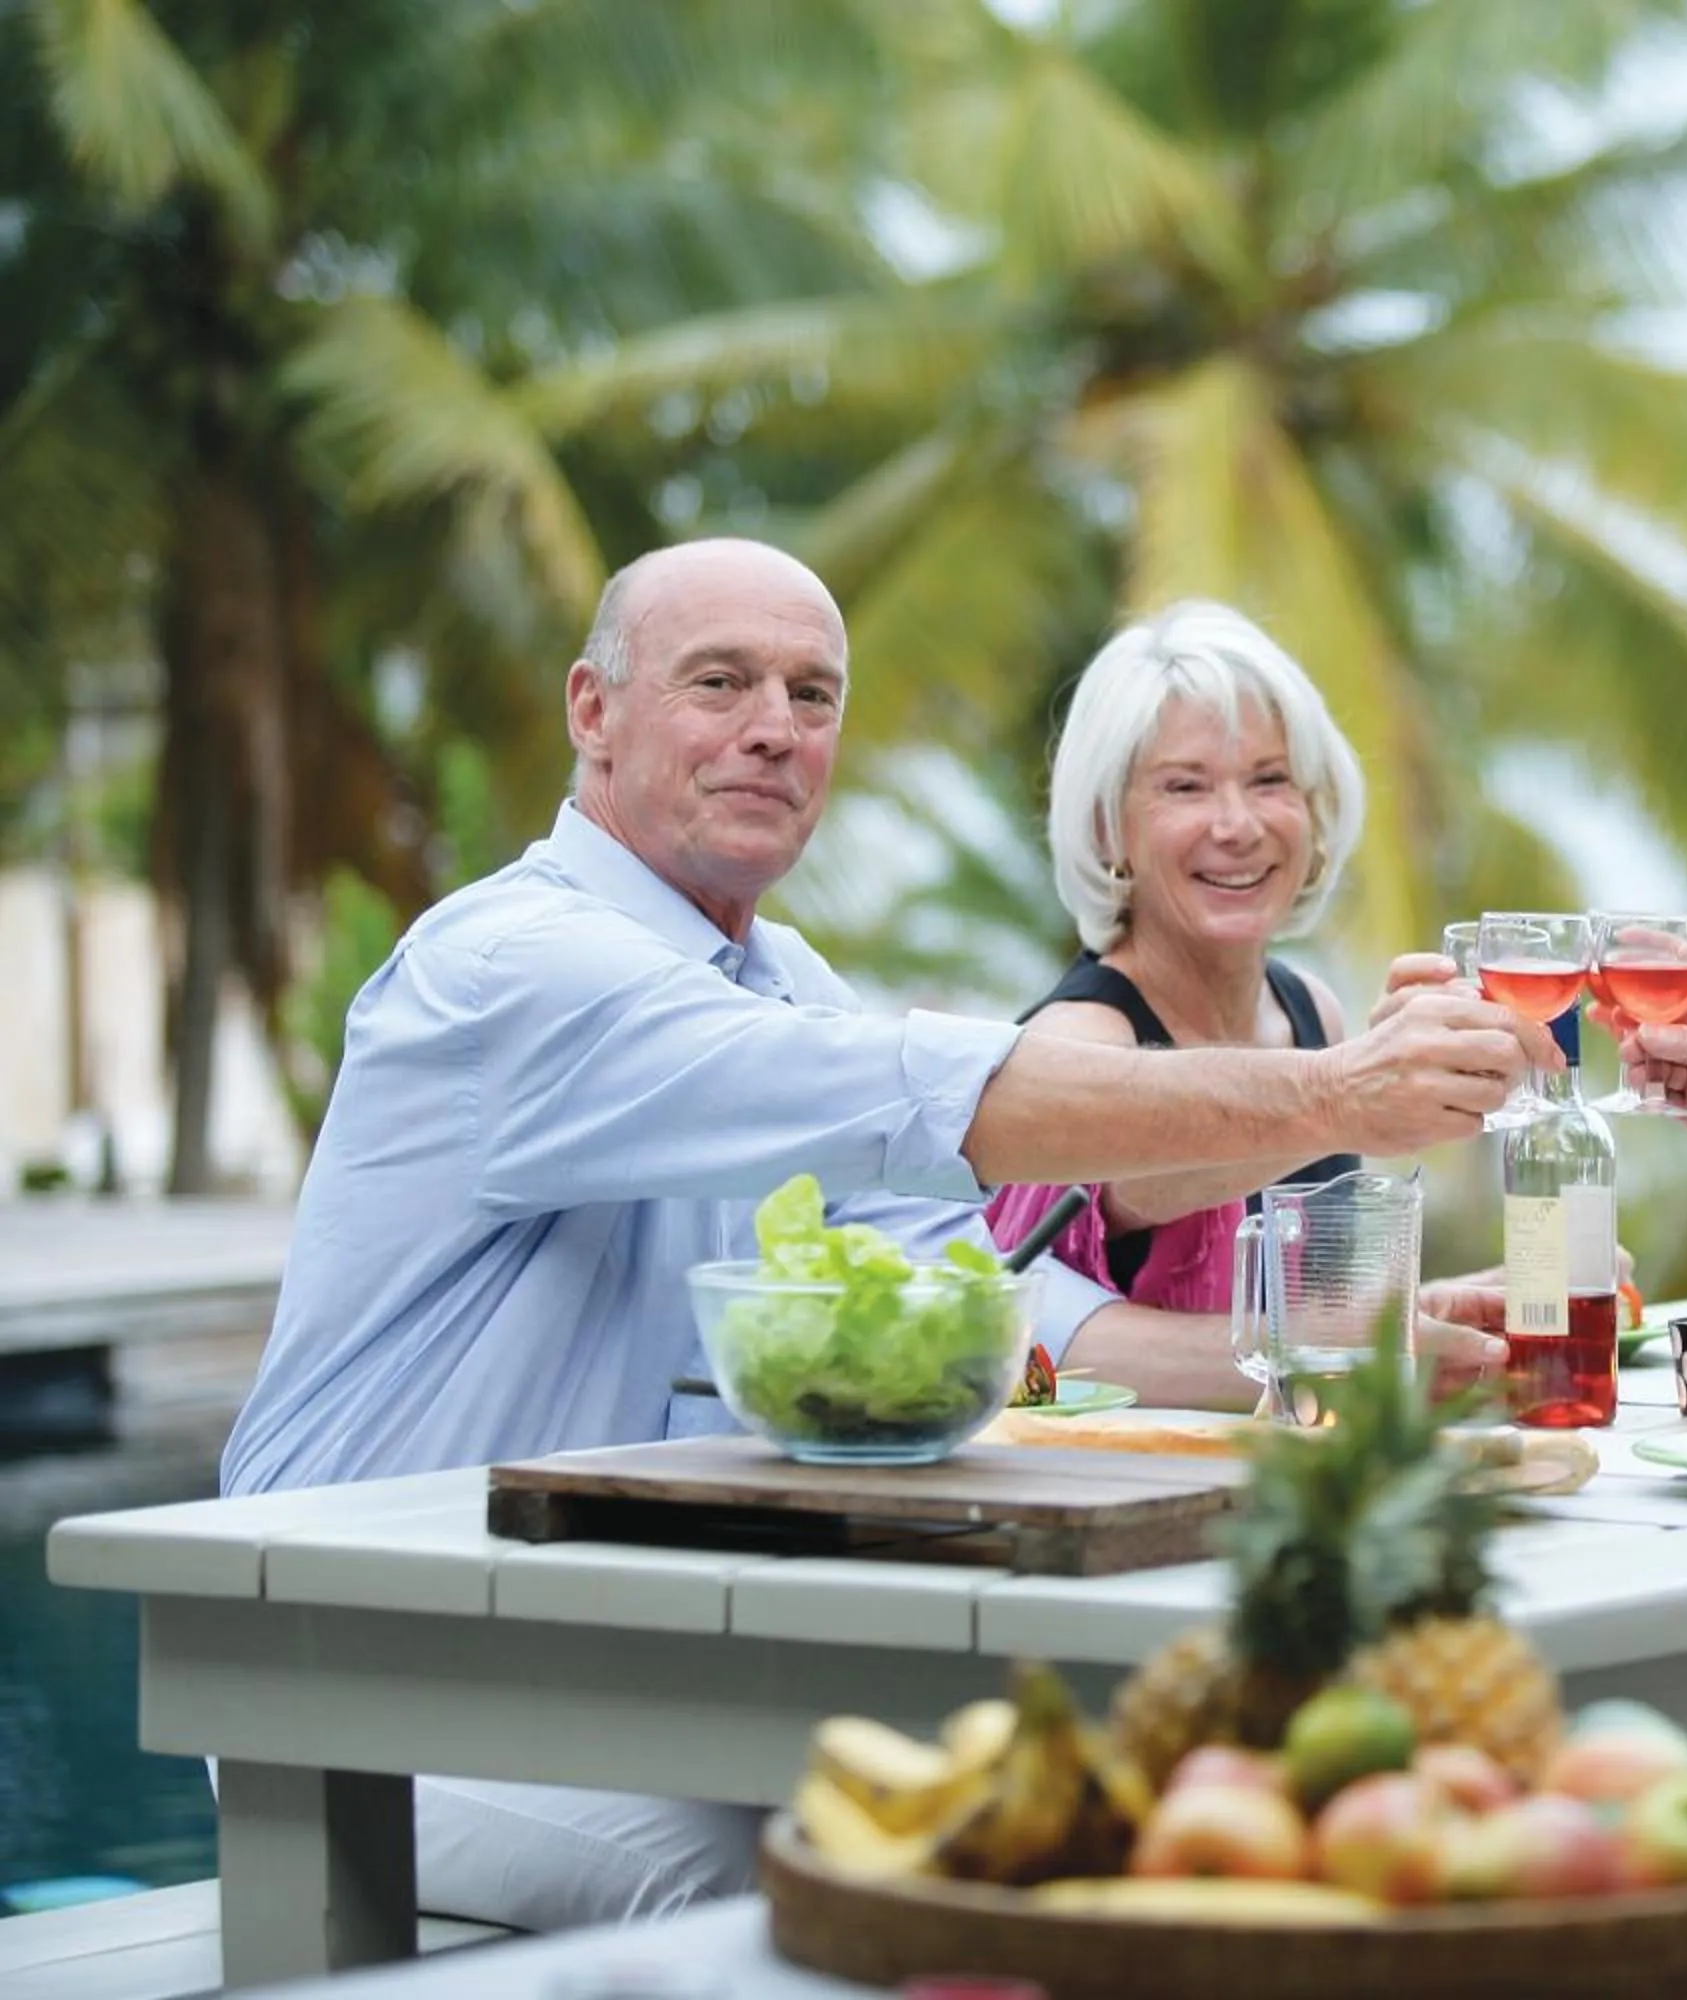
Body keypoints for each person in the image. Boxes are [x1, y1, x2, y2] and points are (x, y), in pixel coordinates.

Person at [219, 539, 1552, 1933]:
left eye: (811, 694)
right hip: (374, 1658)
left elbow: (990, 1295)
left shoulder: (777, 977)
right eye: (719, 683)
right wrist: (1347, 1098)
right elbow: (917, 1098)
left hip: (612, 1649)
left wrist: (1367, 1337)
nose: (772, 731)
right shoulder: (519, 968)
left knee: (1046, 1808)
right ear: (592, 713)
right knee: (826, 1876)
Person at [983, 603, 1380, 1409]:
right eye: (1184, 787)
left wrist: (1454, 1314)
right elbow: (1016, 1344)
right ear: (1108, 828)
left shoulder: (1314, 1015)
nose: (1236, 825)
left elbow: (1326, 1315)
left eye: (1270, 781)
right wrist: (1383, 1353)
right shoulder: (1079, 1043)